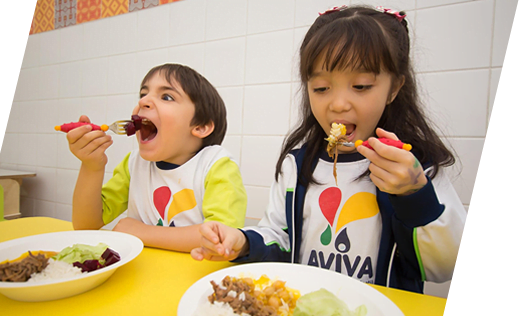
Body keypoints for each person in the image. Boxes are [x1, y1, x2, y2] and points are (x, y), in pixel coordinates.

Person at [191, 5, 468, 293]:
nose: (337, 104)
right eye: (321, 88)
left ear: (394, 88)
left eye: (360, 86)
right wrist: (243, 241)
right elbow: (278, 236)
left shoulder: (416, 168)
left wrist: (414, 196)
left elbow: (444, 266)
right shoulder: (297, 166)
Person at [67, 63, 247, 252]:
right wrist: (92, 166)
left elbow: (221, 238)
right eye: (143, 94)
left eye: (166, 97)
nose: (143, 101)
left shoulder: (216, 165)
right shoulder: (134, 164)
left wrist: (142, 232)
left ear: (200, 127)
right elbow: (86, 225)